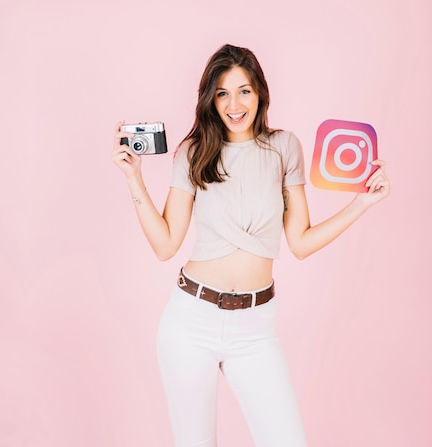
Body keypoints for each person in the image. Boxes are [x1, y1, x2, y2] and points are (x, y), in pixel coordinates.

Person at [110, 43, 390, 447]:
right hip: (191, 322)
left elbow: (301, 242)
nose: (234, 104)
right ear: (211, 99)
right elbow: (165, 245)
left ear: (260, 92)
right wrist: (134, 179)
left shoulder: (284, 147)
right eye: (222, 93)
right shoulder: (194, 152)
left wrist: (361, 203)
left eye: (244, 90)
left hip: (256, 328)